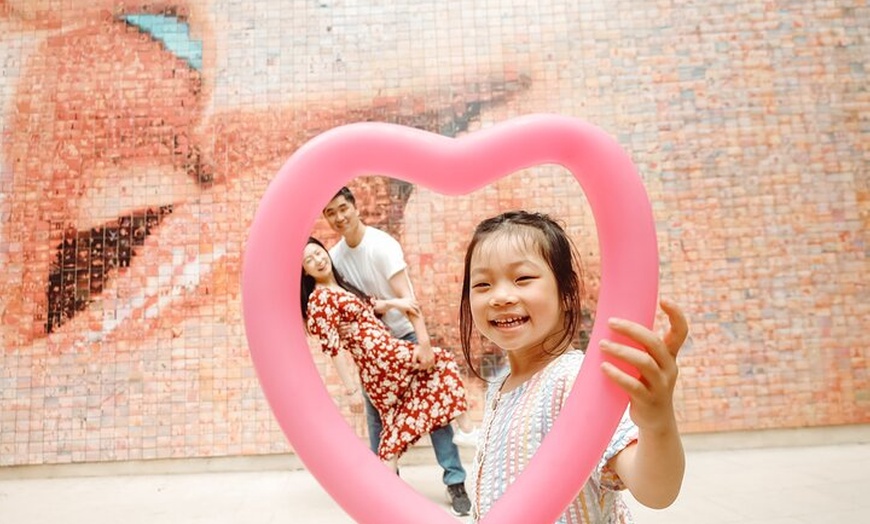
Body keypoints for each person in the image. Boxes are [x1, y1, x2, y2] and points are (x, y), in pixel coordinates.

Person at [458, 210, 688, 523]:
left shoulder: (576, 380)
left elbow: (655, 490)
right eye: (482, 284)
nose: (500, 296)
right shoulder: (500, 387)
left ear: (566, 293)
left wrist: (657, 422)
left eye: (522, 278)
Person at [322, 186, 475, 516]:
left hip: (402, 335)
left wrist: (423, 345)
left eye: (342, 208)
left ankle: (455, 481)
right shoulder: (334, 258)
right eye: (330, 213)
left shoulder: (381, 246)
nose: (339, 217)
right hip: (372, 348)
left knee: (432, 408)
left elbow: (409, 299)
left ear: (355, 207)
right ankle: (384, 484)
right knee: (376, 414)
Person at [300, 237, 473, 471]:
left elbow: (370, 306)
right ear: (306, 272)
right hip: (379, 359)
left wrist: (396, 304)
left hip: (380, 361)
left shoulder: (338, 286)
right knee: (441, 362)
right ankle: (467, 430)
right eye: (309, 260)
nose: (318, 260)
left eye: (318, 253)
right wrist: (351, 391)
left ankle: (386, 485)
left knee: (393, 424)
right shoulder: (320, 300)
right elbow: (333, 348)